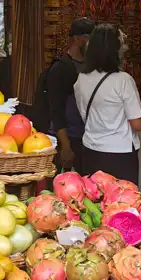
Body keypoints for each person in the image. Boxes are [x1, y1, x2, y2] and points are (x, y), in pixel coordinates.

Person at [74, 24, 141, 183]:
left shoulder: (82, 78)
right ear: (115, 51)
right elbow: (138, 124)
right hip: (119, 155)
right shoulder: (123, 80)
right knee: (121, 201)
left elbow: (84, 114)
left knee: (95, 200)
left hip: (91, 150)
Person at [32, 18, 94, 170]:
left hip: (85, 139)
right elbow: (56, 110)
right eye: (89, 39)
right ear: (77, 39)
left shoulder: (91, 67)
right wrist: (65, 147)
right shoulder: (61, 69)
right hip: (68, 139)